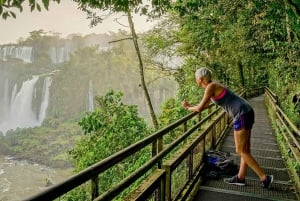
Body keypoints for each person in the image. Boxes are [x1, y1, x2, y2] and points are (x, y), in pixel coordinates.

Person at [181, 67, 273, 188]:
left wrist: (188, 108)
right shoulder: (212, 87)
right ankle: (240, 178)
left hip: (241, 114)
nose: (196, 80)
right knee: (245, 149)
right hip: (246, 111)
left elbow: (199, 109)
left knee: (241, 150)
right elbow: (204, 105)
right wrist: (192, 106)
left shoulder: (211, 86)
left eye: (196, 78)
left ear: (201, 78)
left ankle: (264, 178)